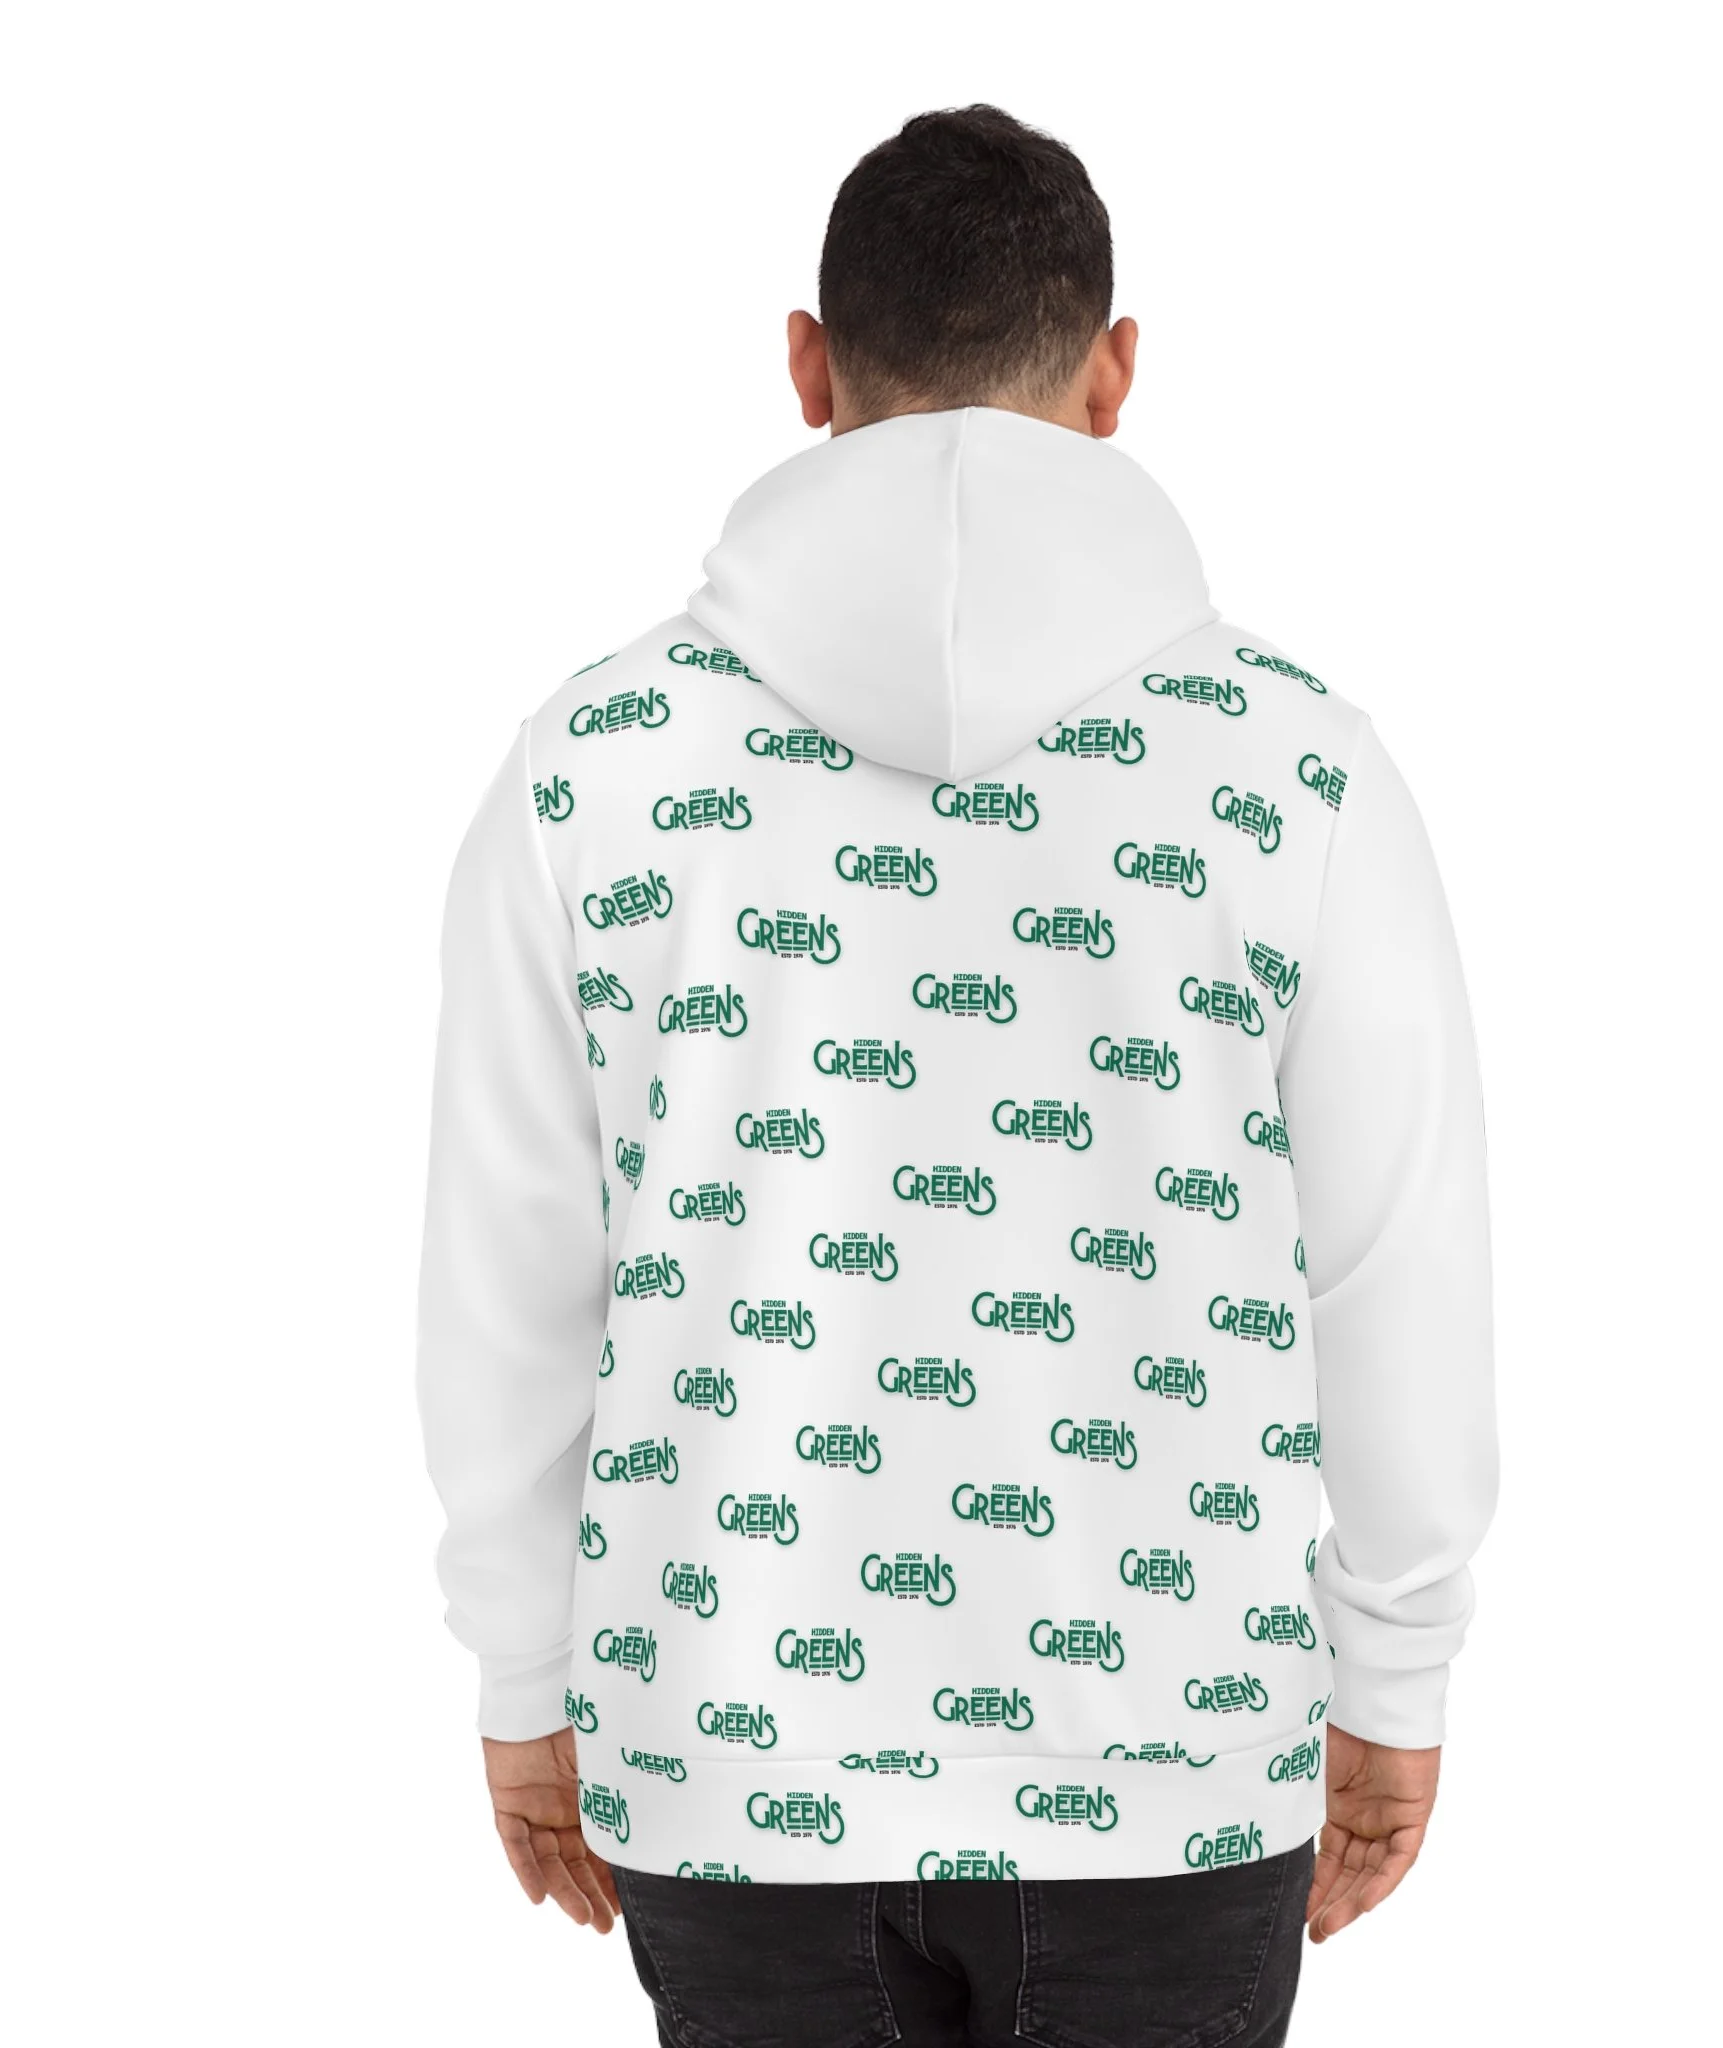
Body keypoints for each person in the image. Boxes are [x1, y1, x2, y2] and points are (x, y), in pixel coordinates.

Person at [417, 101, 1497, 2047]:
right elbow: (1396, 1264)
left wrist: (522, 1665)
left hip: (732, 1752)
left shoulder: (595, 770)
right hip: (1169, 1760)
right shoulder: (1296, 771)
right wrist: (1396, 1666)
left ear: (807, 368)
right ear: (1115, 375)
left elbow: (508, 1281)